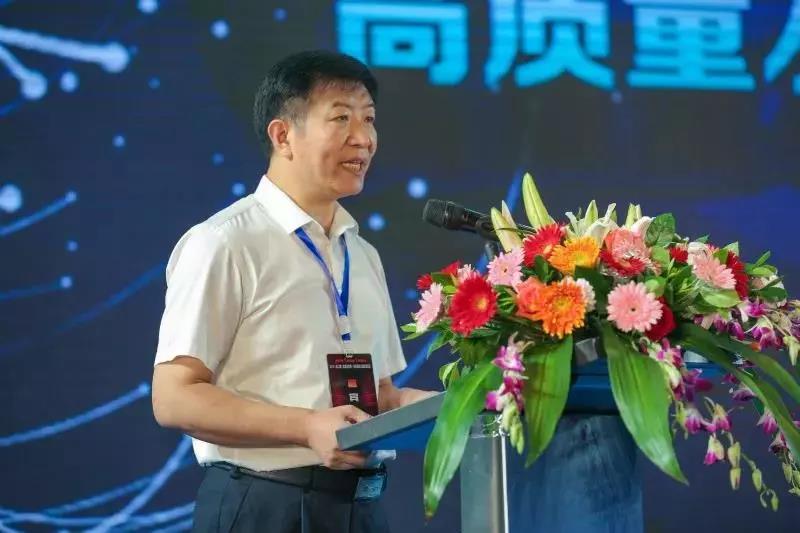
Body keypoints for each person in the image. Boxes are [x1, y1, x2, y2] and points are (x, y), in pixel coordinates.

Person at [151, 50, 433, 533]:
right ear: (283, 136)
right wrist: (306, 426)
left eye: (368, 119)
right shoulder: (225, 242)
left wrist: (449, 406)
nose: (363, 138)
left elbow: (379, 397)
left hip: (360, 509)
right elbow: (174, 398)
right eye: (341, 118)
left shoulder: (361, 253)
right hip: (264, 505)